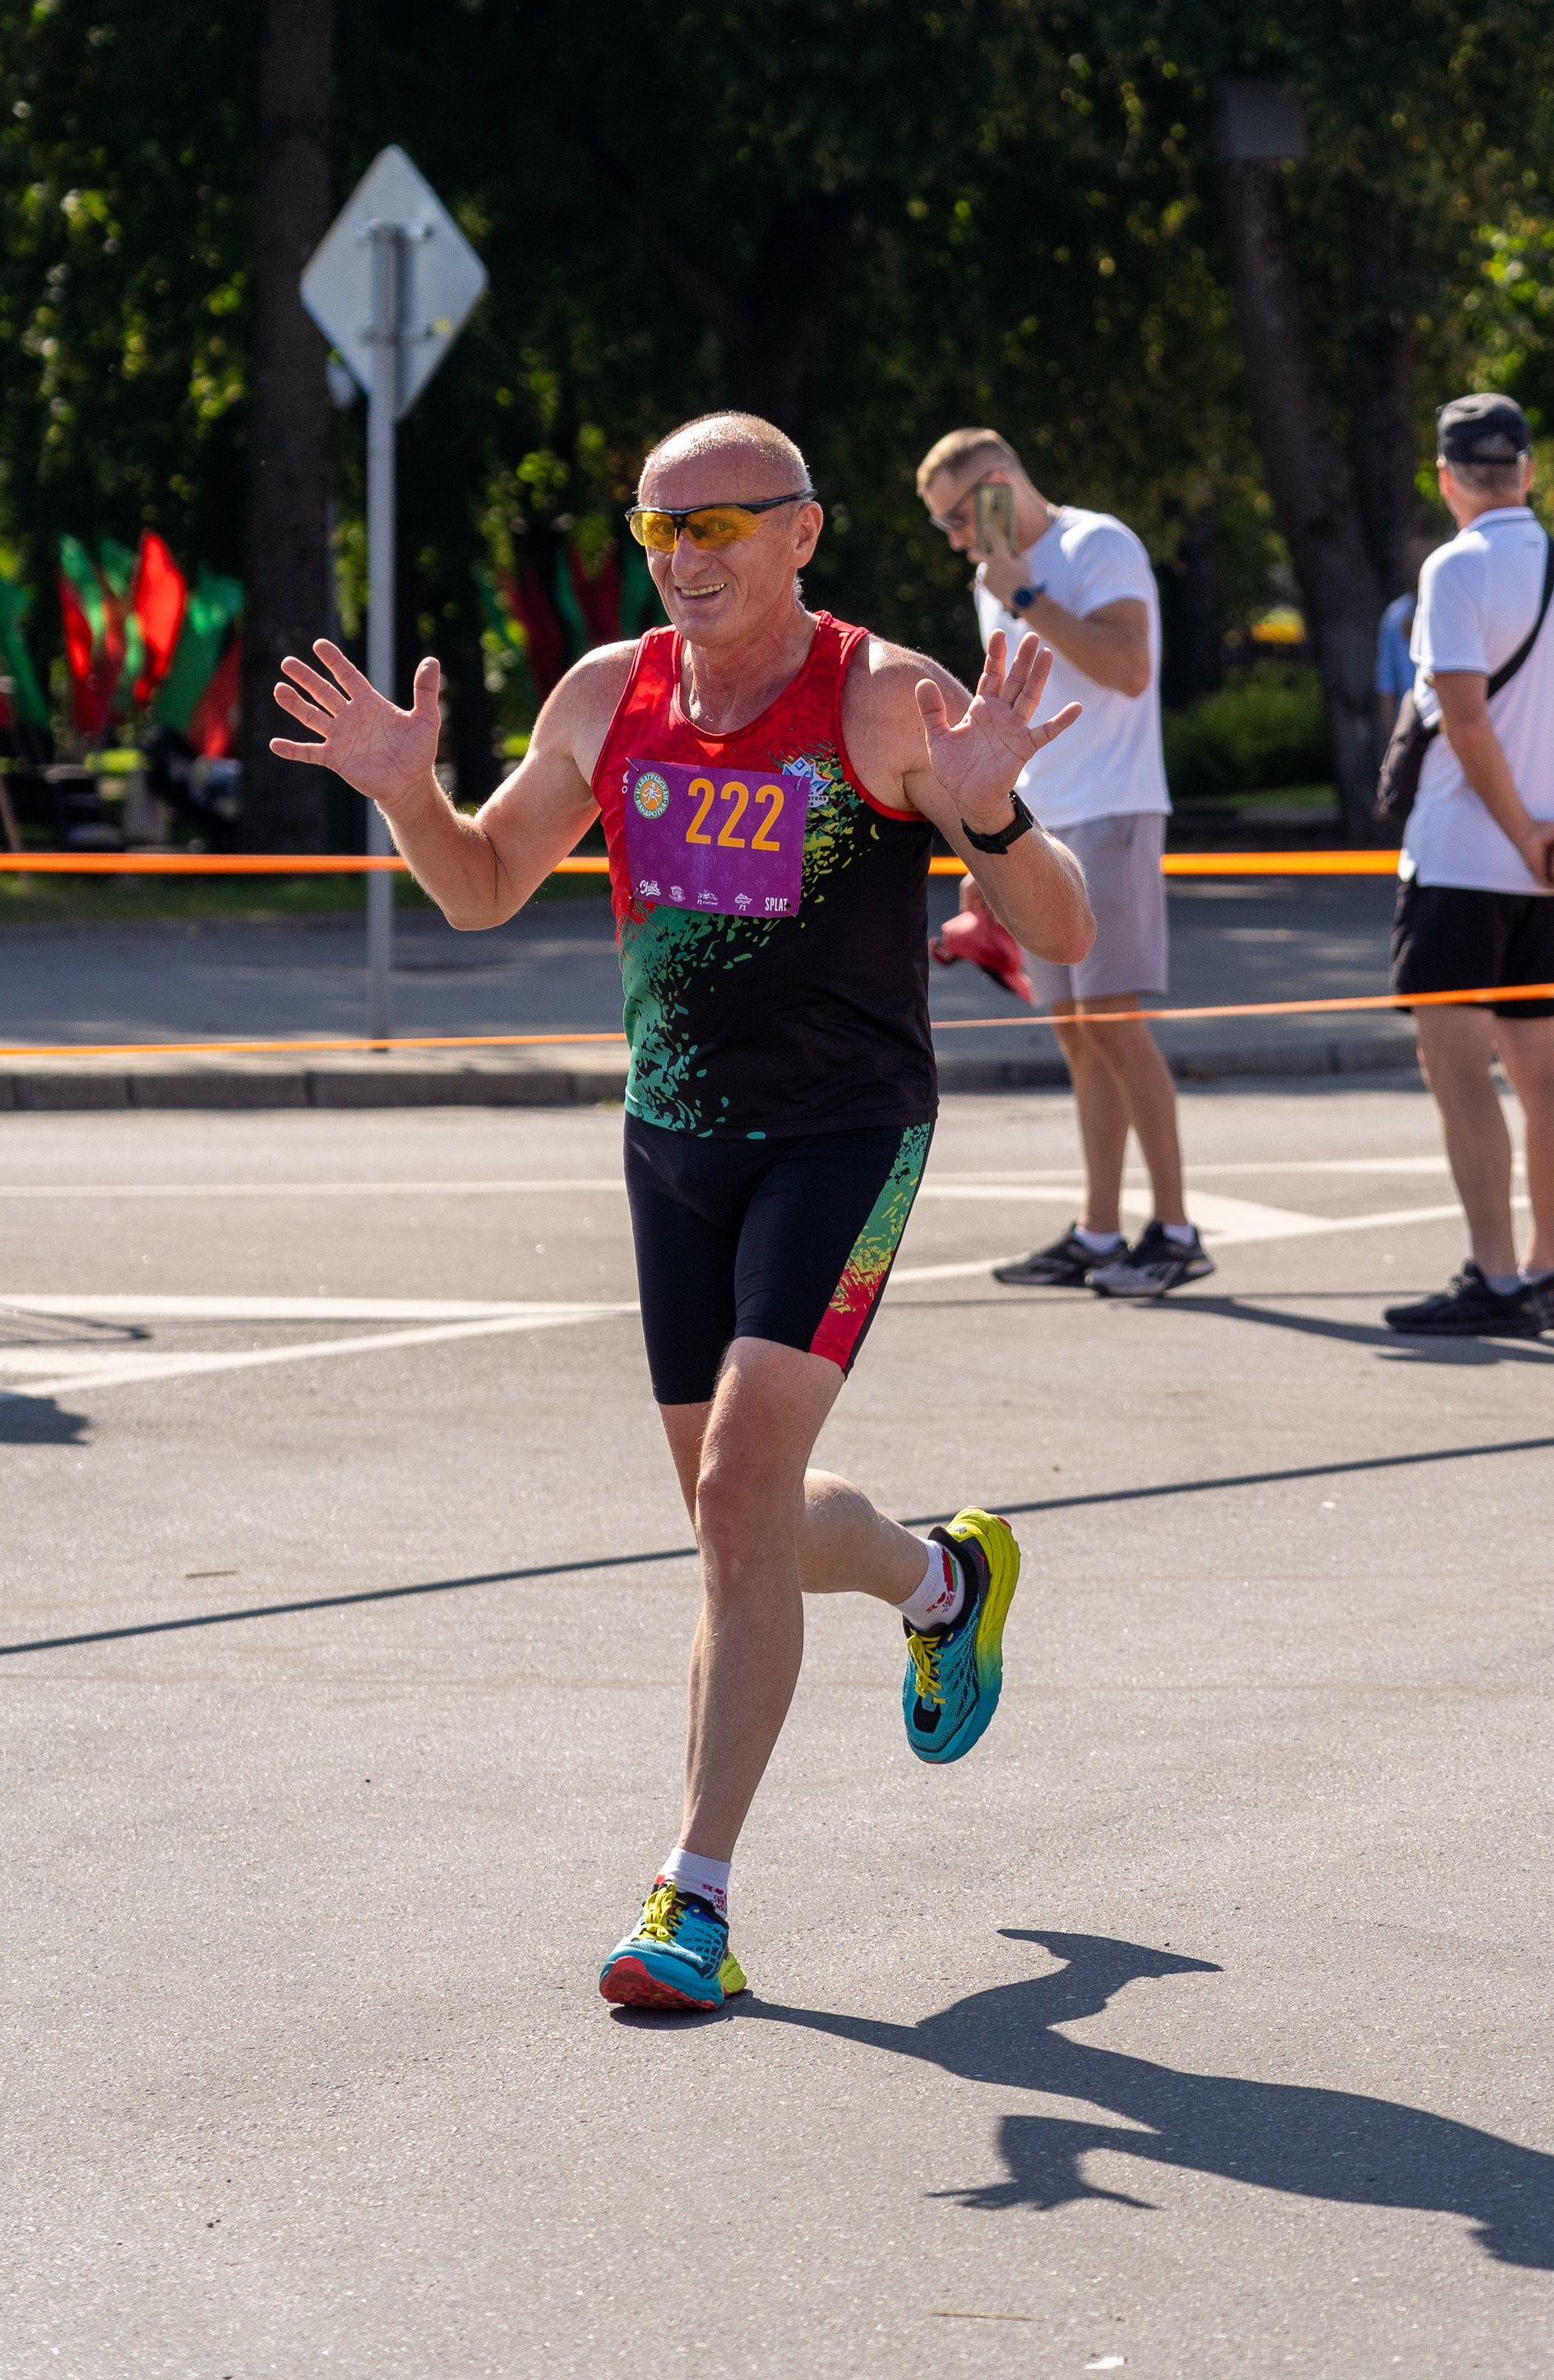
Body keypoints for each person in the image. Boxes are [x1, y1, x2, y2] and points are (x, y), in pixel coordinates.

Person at [270, 411, 1095, 2011]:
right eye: (658, 531)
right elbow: (483, 882)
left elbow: (1056, 922)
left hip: (841, 1137)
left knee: (735, 1489)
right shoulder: (610, 693)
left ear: (803, 532)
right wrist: (404, 795)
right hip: (675, 1139)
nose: (685, 557)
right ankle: (943, 1584)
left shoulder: (882, 697)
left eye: (719, 527)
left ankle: (691, 1900)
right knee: (747, 1522)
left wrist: (990, 819)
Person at [915, 427, 1212, 1300]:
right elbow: (1011, 715)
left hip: (1114, 809)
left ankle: (1174, 1230)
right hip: (1046, 823)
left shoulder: (1094, 544)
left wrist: (1026, 593)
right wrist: (995, 842)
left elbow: (1125, 667)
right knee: (1078, 1035)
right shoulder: (995, 581)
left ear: (999, 486)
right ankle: (1097, 1229)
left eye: (960, 518)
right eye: (946, 527)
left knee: (1112, 1023)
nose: (959, 539)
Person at [1384, 394, 1554, 1338]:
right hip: (1542, 879)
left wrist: (1530, 831)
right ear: (1526, 472)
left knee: (1456, 1071)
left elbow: (1462, 717)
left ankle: (1493, 1280)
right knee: (1538, 1068)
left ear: (1447, 477)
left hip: (1460, 861)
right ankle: (1545, 1270)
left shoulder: (1452, 569)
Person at [1376, 534, 1440, 741]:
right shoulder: (1450, 612)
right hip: (1440, 725)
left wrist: (1393, 741)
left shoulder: (1393, 615)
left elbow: (1386, 688)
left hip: (1410, 728)